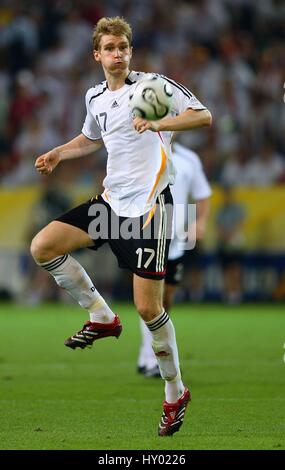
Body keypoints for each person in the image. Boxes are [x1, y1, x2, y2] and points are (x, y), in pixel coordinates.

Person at [30, 17, 212, 436]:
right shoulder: (94, 96)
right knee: (44, 246)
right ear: (97, 54)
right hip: (111, 205)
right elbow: (92, 138)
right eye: (109, 48)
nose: (117, 54)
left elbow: (203, 116)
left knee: (150, 310)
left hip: (150, 210)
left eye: (123, 48)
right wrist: (60, 152)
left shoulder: (151, 86)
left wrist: (160, 123)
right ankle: (102, 316)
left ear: (130, 52)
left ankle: (174, 391)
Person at [137, 142, 212, 377]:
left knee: (166, 301)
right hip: (148, 234)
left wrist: (200, 222)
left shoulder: (190, 158)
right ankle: (151, 360)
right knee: (150, 299)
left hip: (177, 240)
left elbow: (203, 195)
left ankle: (145, 354)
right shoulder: (142, 151)